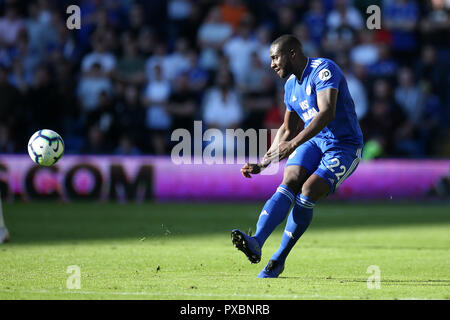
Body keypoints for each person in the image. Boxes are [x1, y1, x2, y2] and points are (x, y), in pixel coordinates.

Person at [231, 35, 364, 278]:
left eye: (274, 57)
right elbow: (287, 129)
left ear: (292, 53)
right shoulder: (291, 86)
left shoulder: (324, 70)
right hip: (315, 141)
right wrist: (263, 162)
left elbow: (327, 113)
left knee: (309, 190)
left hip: (344, 146)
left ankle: (278, 259)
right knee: (289, 179)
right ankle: (256, 241)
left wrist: (291, 144)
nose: (272, 64)